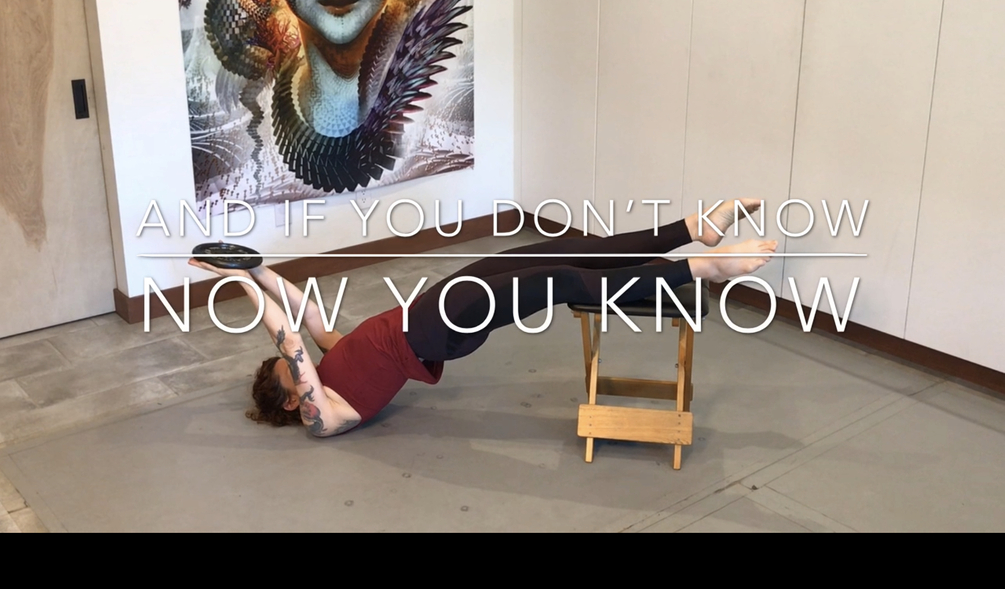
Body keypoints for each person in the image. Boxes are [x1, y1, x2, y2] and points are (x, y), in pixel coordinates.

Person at [188, 199, 778, 438]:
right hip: (440, 330)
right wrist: (233, 280)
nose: (303, 367)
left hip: (432, 306)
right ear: (293, 400)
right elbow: (289, 337)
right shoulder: (326, 415)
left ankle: (690, 230)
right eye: (293, 375)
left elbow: (308, 314)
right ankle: (704, 267)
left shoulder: (330, 363)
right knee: (562, 280)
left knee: (554, 253)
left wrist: (256, 268)